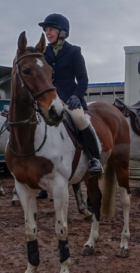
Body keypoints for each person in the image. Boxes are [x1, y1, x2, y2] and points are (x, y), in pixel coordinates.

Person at [36, 13, 103, 200]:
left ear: (62, 32)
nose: (47, 33)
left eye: (50, 29)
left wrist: (76, 96)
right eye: (45, 30)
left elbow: (82, 79)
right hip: (49, 100)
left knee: (81, 119)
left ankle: (94, 159)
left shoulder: (74, 51)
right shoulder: (43, 53)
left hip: (68, 98)